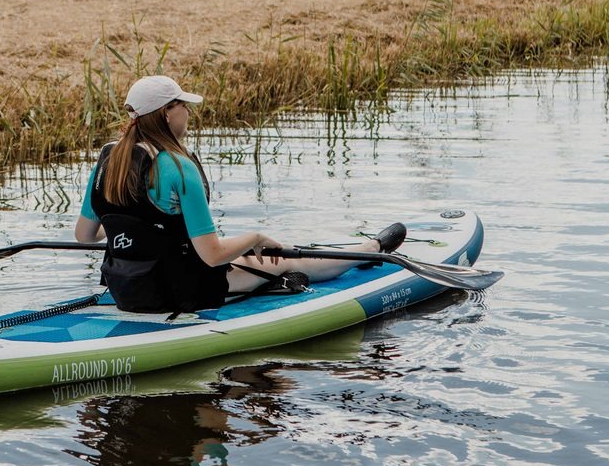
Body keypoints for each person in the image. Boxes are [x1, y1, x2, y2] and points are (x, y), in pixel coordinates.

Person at [74, 75, 406, 314]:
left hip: (125, 291)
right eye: (183, 107)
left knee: (237, 251)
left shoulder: (108, 157)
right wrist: (256, 236)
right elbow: (213, 256)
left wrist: (134, 229)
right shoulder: (179, 166)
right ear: (166, 112)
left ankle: (365, 248)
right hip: (182, 292)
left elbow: (85, 235)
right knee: (285, 257)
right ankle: (372, 249)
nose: (188, 113)